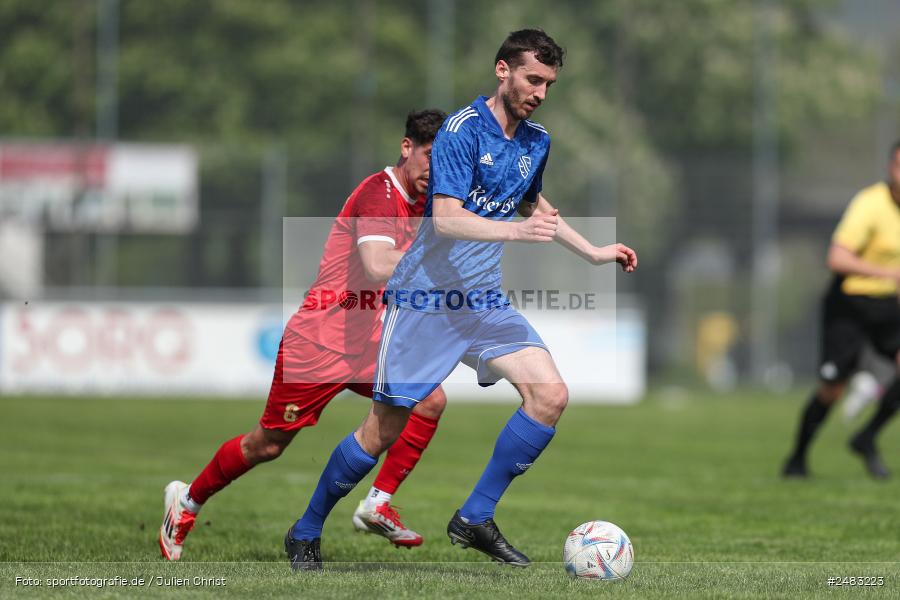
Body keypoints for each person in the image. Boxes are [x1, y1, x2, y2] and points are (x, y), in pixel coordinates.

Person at [284, 29, 637, 571]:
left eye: (549, 84)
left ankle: (473, 517)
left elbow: (530, 204)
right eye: (532, 79)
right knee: (382, 431)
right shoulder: (459, 131)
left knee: (549, 395)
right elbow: (446, 219)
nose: (540, 92)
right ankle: (306, 529)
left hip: (483, 304)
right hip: (426, 302)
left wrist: (591, 251)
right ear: (503, 70)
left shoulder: (535, 140)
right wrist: (518, 235)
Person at [159, 109, 449, 561]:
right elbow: (376, 265)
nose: (437, 168)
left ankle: (378, 504)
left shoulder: (428, 203)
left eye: (446, 158)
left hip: (368, 341)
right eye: (430, 155)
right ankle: (187, 501)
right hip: (319, 342)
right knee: (268, 444)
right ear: (406, 147)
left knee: (430, 399)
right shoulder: (379, 193)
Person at [783, 140, 900, 479]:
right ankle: (797, 458)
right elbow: (837, 258)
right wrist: (888, 273)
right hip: (849, 304)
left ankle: (866, 437)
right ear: (889, 168)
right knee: (833, 388)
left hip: (886, 306)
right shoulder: (869, 204)